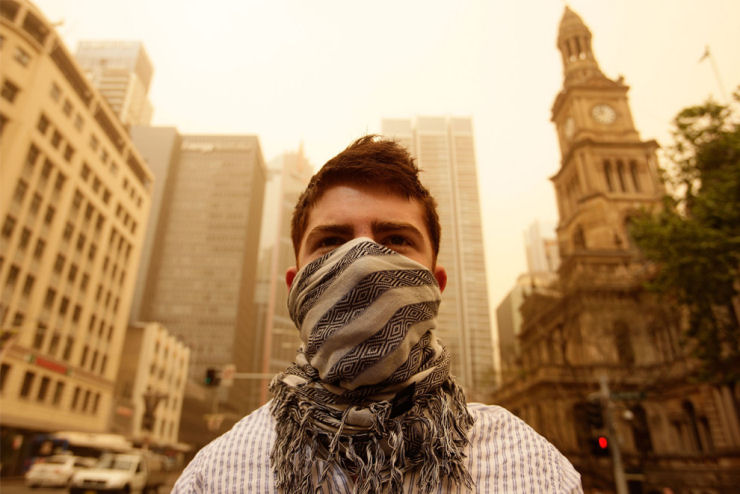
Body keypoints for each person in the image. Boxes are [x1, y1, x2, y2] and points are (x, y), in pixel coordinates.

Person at [173, 136, 583, 493]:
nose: (363, 263)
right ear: (293, 287)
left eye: (396, 239)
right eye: (332, 241)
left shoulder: (534, 467)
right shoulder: (213, 476)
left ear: (436, 284)